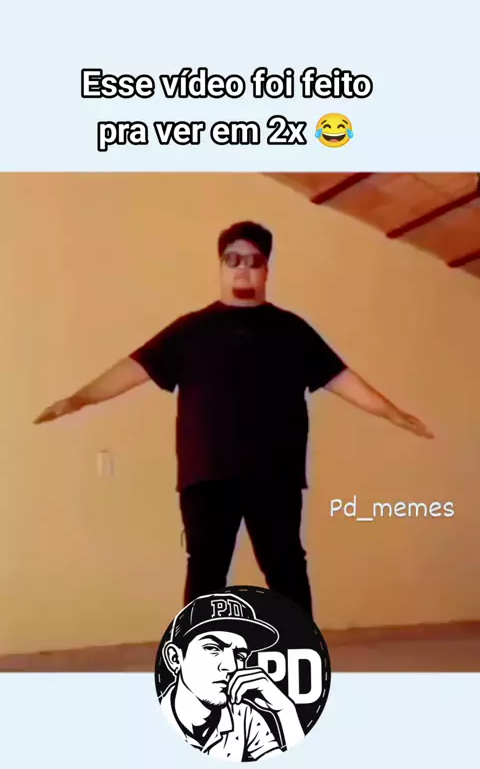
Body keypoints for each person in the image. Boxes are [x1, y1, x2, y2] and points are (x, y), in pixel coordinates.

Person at [34, 221, 434, 616]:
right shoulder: (190, 330)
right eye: (233, 259)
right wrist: (80, 398)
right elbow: (134, 368)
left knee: (285, 567)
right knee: (206, 570)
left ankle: (301, 648)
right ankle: (195, 649)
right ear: (221, 266)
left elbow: (340, 378)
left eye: (254, 261)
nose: (243, 269)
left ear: (266, 270)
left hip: (275, 473)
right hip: (207, 472)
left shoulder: (292, 330)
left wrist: (391, 412)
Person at [159, 591, 303, 760]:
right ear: (175, 658)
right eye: (212, 648)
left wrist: (285, 710)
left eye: (240, 655)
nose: (231, 666)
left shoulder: (244, 716)